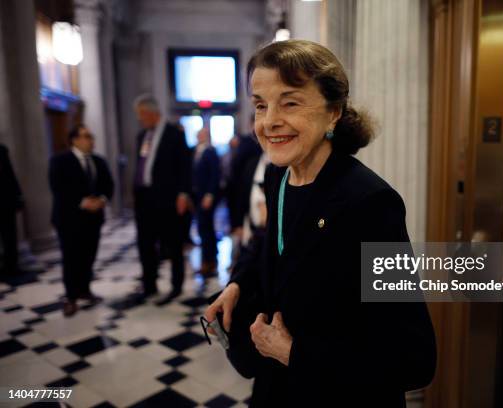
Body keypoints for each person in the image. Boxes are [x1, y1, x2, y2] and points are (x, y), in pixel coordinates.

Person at [205, 40, 436, 407]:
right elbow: (274, 245)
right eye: (260, 105)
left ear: (334, 112)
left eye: (290, 102)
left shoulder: (371, 204)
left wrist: (293, 352)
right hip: (276, 391)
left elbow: (413, 358)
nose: (269, 121)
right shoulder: (278, 179)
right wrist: (238, 283)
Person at [49, 125, 114, 317]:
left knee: (89, 255)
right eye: (86, 137)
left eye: (91, 136)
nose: (91, 140)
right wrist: (83, 202)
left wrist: (101, 200)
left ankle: (85, 289)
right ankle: (70, 297)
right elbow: (58, 187)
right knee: (71, 258)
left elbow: (108, 185)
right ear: (74, 140)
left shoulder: (98, 161)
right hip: (69, 219)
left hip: (93, 219)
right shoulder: (60, 160)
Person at [133, 94, 191, 305]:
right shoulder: (141, 136)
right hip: (144, 198)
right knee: (145, 243)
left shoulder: (174, 134)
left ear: (152, 113)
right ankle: (149, 285)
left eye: (141, 114)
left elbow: (185, 166)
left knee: (173, 243)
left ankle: (176, 285)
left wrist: (183, 194)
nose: (140, 119)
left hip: (167, 199)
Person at [192, 127, 221, 277]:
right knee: (203, 229)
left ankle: (209, 261)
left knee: (206, 229)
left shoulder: (210, 151)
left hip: (206, 197)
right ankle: (208, 259)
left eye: (202, 134)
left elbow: (215, 175)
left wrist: (209, 195)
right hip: (197, 196)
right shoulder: (196, 150)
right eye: (198, 134)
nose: (199, 136)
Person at [0, 143, 24, 278]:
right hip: (5, 199)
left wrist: (18, 195)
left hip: (6, 200)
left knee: (10, 236)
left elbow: (10, 174)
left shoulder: (2, 149)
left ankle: (11, 267)